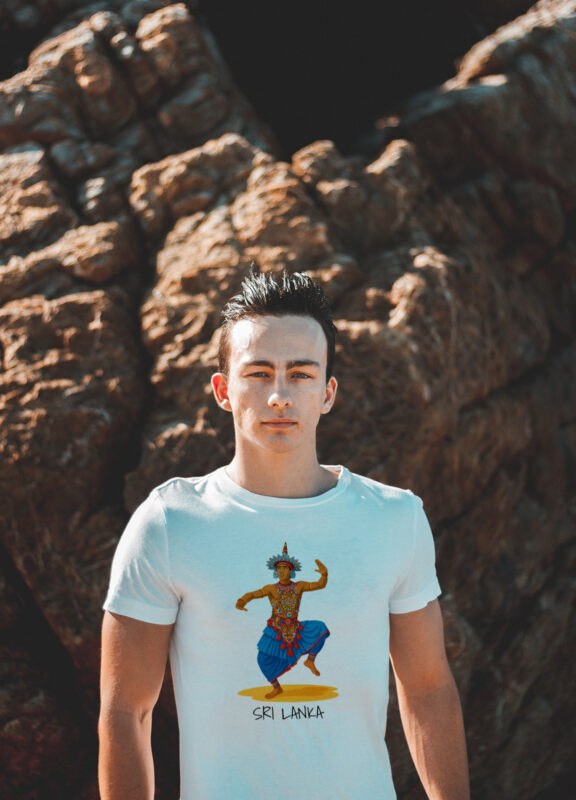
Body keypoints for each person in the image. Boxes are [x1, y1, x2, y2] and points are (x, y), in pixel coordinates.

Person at [99, 269, 470, 800]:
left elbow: (429, 689)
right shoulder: (168, 523)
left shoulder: (394, 518)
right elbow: (124, 712)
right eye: (258, 373)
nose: (279, 395)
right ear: (224, 390)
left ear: (327, 392)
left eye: (300, 373)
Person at [236, 542, 330, 698]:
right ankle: (276, 687)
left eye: (284, 568)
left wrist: (324, 574)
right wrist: (242, 601)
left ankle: (310, 661)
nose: (281, 571)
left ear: (291, 571)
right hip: (276, 630)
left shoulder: (299, 586)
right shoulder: (271, 588)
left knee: (320, 628)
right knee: (262, 659)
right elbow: (254, 594)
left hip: (295, 628)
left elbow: (319, 585)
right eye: (278, 568)